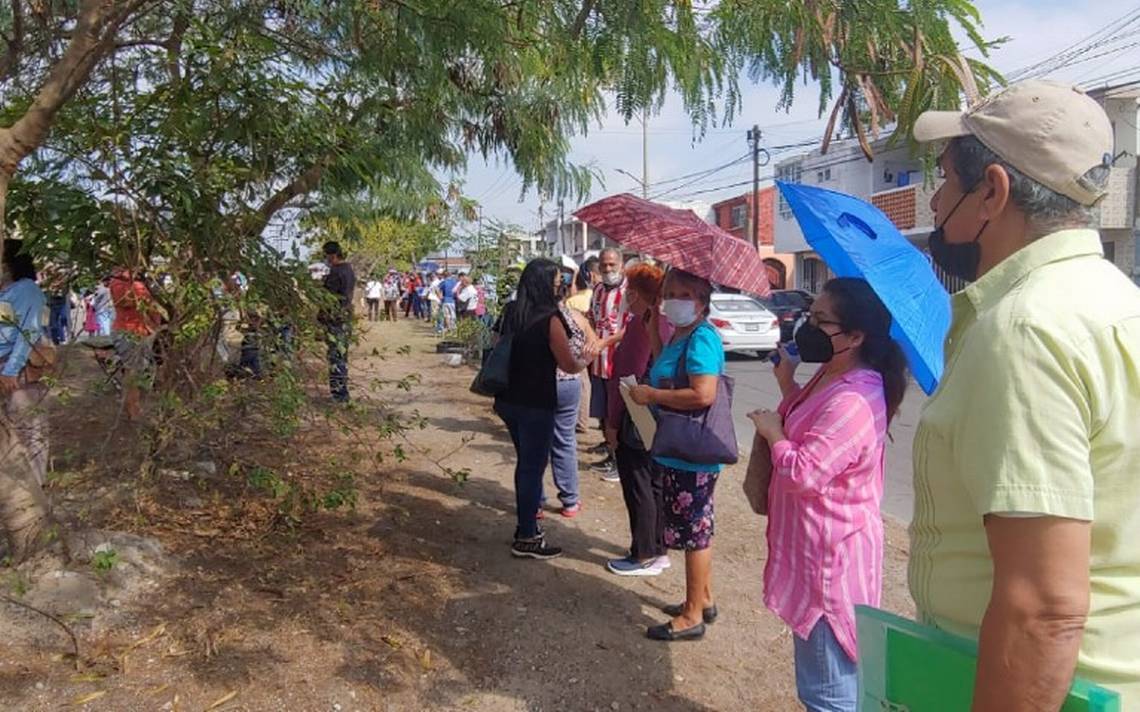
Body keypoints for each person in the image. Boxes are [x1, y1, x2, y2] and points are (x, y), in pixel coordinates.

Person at [909, 79, 1140, 709]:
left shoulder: (1026, 330)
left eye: (946, 181)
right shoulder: (1118, 302)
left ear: (991, 190)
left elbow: (1043, 609)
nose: (933, 202)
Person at [748, 278, 907, 711]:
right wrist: (788, 384)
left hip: (830, 567)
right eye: (808, 316)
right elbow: (813, 429)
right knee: (822, 684)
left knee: (829, 695)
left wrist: (772, 432)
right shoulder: (831, 374)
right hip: (812, 551)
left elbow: (805, 471)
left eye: (820, 321)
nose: (807, 328)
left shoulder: (855, 397)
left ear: (855, 336)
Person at [629, 269, 726, 641]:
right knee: (696, 528)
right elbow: (665, 369)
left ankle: (691, 616)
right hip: (679, 449)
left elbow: (703, 394)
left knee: (694, 533)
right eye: (669, 292)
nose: (673, 299)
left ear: (701, 301)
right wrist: (654, 329)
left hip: (692, 451)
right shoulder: (682, 336)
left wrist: (651, 397)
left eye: (684, 293)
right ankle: (703, 599)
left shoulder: (701, 338)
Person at [494, 259, 598, 559]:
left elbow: (496, 345)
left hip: (507, 399)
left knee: (524, 462)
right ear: (544, 284)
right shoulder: (550, 318)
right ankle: (527, 535)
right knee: (531, 467)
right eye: (556, 281)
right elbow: (568, 363)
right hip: (536, 402)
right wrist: (587, 359)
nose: (560, 285)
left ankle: (526, 526)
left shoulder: (512, 311)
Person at [604, 262, 674, 576]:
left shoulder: (640, 324)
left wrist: (612, 422)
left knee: (639, 483)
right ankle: (658, 549)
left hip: (638, 412)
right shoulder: (667, 322)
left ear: (633, 293)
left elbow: (625, 376)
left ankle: (643, 552)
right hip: (663, 412)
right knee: (655, 483)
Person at [544, 279, 601, 519]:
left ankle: (535, 502)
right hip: (568, 383)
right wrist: (581, 364)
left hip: (537, 386)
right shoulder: (576, 317)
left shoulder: (531, 318)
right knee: (565, 441)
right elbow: (594, 344)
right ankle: (570, 500)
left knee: (535, 444)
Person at [0, 244, 50, 494]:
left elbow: (28, 331)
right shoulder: (6, 291)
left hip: (15, 370)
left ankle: (35, 490)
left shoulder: (26, 290)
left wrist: (11, 369)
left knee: (29, 431)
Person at [588, 247, 627, 480]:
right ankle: (610, 452)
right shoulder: (598, 290)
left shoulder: (628, 291)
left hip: (618, 360)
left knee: (617, 414)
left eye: (612, 265)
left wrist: (606, 342)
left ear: (621, 265)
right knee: (602, 411)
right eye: (604, 265)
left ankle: (619, 462)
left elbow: (629, 327)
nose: (608, 269)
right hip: (598, 361)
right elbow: (592, 318)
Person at [108, 267, 160, 421]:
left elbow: (151, 307)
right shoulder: (118, 282)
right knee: (132, 371)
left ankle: (134, 408)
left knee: (137, 371)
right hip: (128, 332)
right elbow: (124, 301)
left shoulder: (139, 281)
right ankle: (133, 410)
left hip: (142, 331)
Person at [320, 241, 356, 403]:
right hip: (345, 318)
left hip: (335, 319)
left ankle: (339, 394)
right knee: (341, 356)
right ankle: (341, 392)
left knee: (336, 357)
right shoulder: (349, 270)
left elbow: (327, 298)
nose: (326, 259)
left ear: (332, 255)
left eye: (326, 256)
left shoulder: (336, 272)